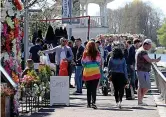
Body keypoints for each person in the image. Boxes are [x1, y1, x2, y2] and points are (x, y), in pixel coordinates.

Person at [135, 39, 160, 106]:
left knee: (141, 86)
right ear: (146, 44)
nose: (150, 47)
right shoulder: (143, 51)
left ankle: (140, 101)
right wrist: (156, 60)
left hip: (141, 70)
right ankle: (140, 100)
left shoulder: (140, 50)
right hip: (142, 70)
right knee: (146, 86)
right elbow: (148, 60)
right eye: (149, 46)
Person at [82, 41, 101, 109]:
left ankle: (88, 103)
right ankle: (94, 103)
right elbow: (99, 62)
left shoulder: (85, 53)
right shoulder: (98, 53)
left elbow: (83, 63)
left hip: (87, 73)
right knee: (94, 89)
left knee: (88, 89)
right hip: (96, 73)